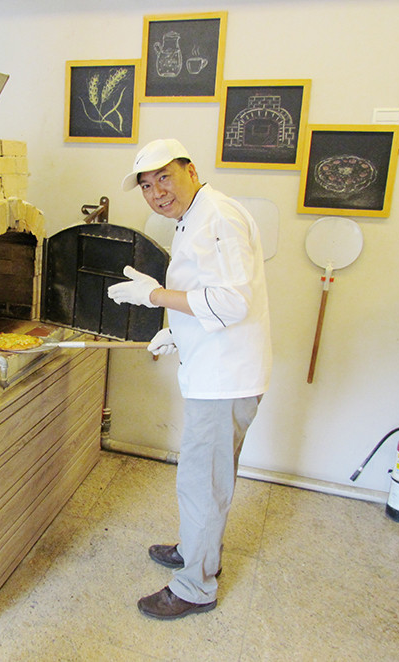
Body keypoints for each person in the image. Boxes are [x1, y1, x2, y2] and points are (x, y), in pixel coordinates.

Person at [107, 138, 272, 620]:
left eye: (165, 177)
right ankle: (196, 549)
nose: (157, 192)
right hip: (214, 369)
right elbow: (207, 294)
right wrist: (176, 333)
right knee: (203, 477)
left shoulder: (218, 217)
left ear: (191, 170)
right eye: (146, 185)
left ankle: (196, 586)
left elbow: (231, 303)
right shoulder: (195, 216)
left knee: (203, 482)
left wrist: (155, 297)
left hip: (225, 378)